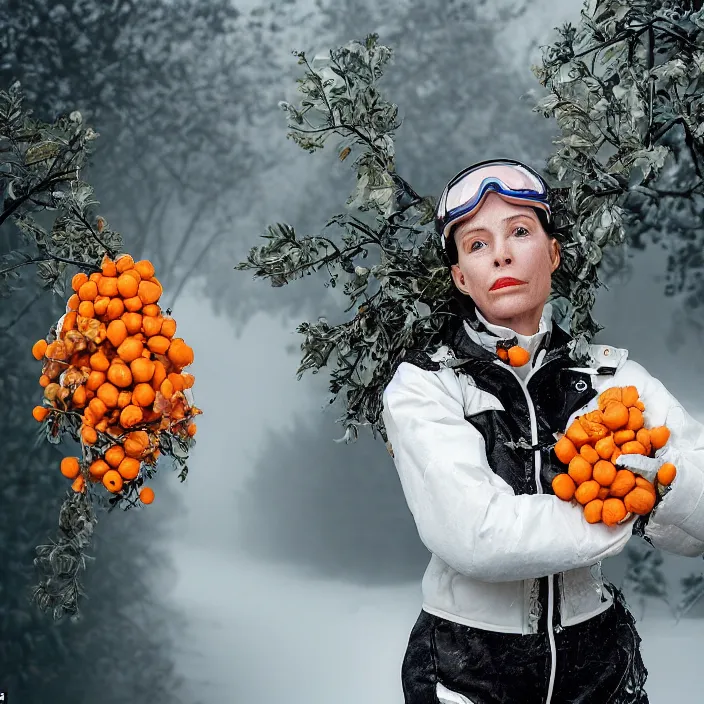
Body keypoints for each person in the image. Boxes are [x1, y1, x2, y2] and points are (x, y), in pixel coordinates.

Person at [381, 158, 704, 704]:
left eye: (520, 232)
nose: (501, 253)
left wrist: (668, 491)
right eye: (477, 244)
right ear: (461, 276)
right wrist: (630, 504)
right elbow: (477, 535)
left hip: (600, 664)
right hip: (469, 670)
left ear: (553, 253)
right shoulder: (426, 385)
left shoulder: (611, 378)